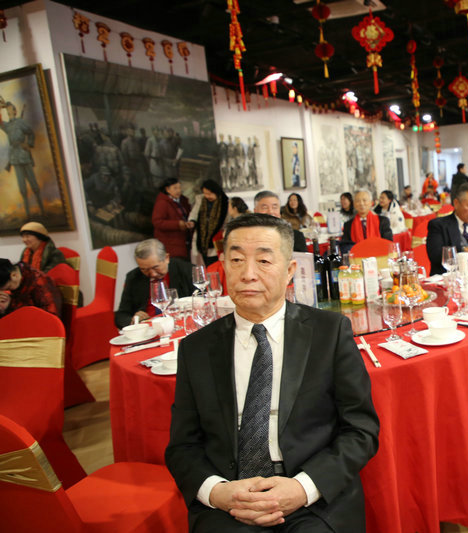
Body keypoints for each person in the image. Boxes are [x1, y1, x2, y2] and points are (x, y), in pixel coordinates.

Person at [165, 213, 379, 532]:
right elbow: (183, 446)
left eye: (264, 261)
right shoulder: (196, 348)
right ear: (223, 266)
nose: (248, 274)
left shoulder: (329, 333)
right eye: (236, 260)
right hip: (230, 496)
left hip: (312, 496)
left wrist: (303, 487)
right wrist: (217, 492)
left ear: (290, 270)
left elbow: (361, 430)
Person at [114, 239, 194, 328]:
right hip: (148, 327)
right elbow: (121, 316)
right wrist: (134, 320)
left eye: (155, 267)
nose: (152, 274)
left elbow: (200, 299)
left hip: (181, 323)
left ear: (166, 258)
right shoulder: (133, 277)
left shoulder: (186, 270)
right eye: (144, 269)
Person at [0, 98, 45, 219]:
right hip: (14, 158)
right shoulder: (7, 126)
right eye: (7, 109)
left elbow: (30, 133)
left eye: (11, 108)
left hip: (24, 155)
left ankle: (42, 211)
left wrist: (29, 144)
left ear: (15, 111)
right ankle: (28, 214)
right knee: (22, 187)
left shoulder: (20, 122)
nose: (9, 110)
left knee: (34, 184)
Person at [152, 178, 194, 260]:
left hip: (185, 241)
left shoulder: (183, 201)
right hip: (171, 243)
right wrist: (177, 224)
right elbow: (157, 222)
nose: (178, 190)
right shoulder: (162, 203)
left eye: (179, 188)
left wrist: (190, 223)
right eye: (175, 188)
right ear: (167, 189)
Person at [190, 179, 229, 266]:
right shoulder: (201, 200)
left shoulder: (225, 203)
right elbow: (194, 214)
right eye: (205, 193)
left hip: (217, 240)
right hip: (203, 241)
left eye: (210, 194)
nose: (207, 196)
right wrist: (192, 222)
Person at [341, 189, 392, 254]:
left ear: (371, 203)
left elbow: (388, 244)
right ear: (354, 204)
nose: (361, 204)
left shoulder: (383, 221)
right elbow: (345, 247)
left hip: (380, 256)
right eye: (358, 201)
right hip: (358, 258)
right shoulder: (348, 225)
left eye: (364, 200)